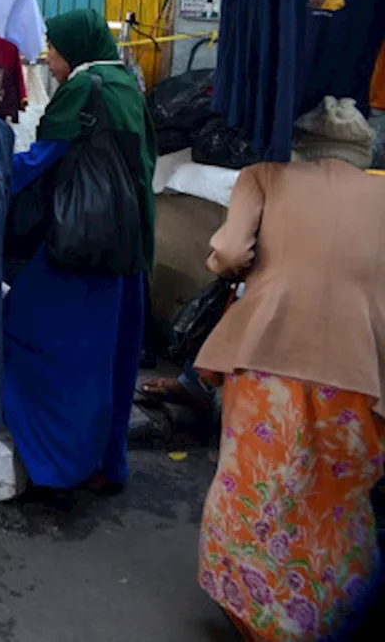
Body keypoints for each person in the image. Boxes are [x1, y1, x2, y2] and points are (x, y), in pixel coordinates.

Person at [194, 97, 385, 642]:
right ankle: (326, 615)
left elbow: (230, 254)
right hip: (361, 368)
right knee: (334, 497)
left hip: (267, 355)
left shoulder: (265, 176)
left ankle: (258, 615)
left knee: (257, 487)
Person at [0, 8, 157, 507]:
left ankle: (59, 465)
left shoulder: (84, 91)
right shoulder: (127, 86)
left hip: (80, 250)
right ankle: (108, 463)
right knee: (112, 358)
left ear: (75, 48)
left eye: (54, 48)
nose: (49, 57)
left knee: (35, 337)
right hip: (125, 251)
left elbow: (42, 158)